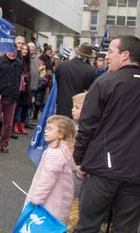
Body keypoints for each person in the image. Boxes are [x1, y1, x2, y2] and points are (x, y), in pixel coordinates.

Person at [73, 35, 140, 232]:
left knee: (88, 225)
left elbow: (87, 126)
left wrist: (79, 159)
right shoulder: (106, 81)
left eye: (111, 51)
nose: (107, 56)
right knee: (126, 228)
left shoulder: (105, 82)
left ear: (125, 55)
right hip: (135, 172)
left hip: (103, 167)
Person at [24, 115, 76, 223]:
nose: (45, 131)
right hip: (57, 204)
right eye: (46, 128)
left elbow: (46, 181)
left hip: (49, 206)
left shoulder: (55, 154)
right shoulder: (64, 150)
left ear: (61, 134)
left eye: (50, 129)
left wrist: (35, 200)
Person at [0, 45, 23, 153]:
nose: (12, 53)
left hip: (12, 98)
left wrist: (17, 93)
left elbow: (19, 79)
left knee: (8, 123)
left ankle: (4, 143)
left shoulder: (19, 64)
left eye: (14, 52)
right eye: (10, 51)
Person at [55, 42, 98, 118]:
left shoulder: (62, 66)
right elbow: (92, 92)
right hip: (79, 109)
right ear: (89, 57)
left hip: (62, 106)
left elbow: (58, 84)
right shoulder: (92, 70)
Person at [66, 92, 87, 232]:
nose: (73, 109)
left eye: (77, 107)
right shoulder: (74, 127)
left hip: (78, 179)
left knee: (75, 210)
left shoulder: (84, 131)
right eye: (73, 106)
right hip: (69, 177)